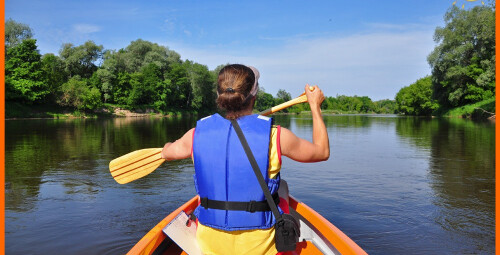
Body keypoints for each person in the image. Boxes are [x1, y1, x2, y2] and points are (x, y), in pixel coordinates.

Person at [161, 64, 329, 255]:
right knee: (281, 186)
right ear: (254, 97)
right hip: (259, 247)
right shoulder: (276, 136)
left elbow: (166, 153)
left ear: (219, 96)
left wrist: (168, 145)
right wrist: (315, 106)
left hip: (211, 244)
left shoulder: (194, 135)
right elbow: (321, 151)